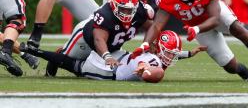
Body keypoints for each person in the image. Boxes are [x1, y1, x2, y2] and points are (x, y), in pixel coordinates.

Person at [44, 0, 155, 76]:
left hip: (112, 44)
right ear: (114, 5)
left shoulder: (140, 12)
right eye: (123, 9)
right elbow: (99, 39)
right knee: (65, 58)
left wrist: (147, 44)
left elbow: (153, 27)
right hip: (86, 37)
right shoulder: (105, 14)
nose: (126, 13)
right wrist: (107, 56)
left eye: (130, 10)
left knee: (101, 69)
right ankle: (51, 69)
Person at [20, 30, 206, 81]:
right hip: (112, 71)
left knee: (77, 60)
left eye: (173, 54)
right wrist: (146, 70)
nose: (171, 57)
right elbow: (156, 72)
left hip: (121, 57)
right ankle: (30, 50)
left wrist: (189, 53)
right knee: (75, 66)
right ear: (159, 50)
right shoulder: (154, 60)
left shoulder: (156, 53)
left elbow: (168, 56)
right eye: (169, 52)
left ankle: (63, 51)